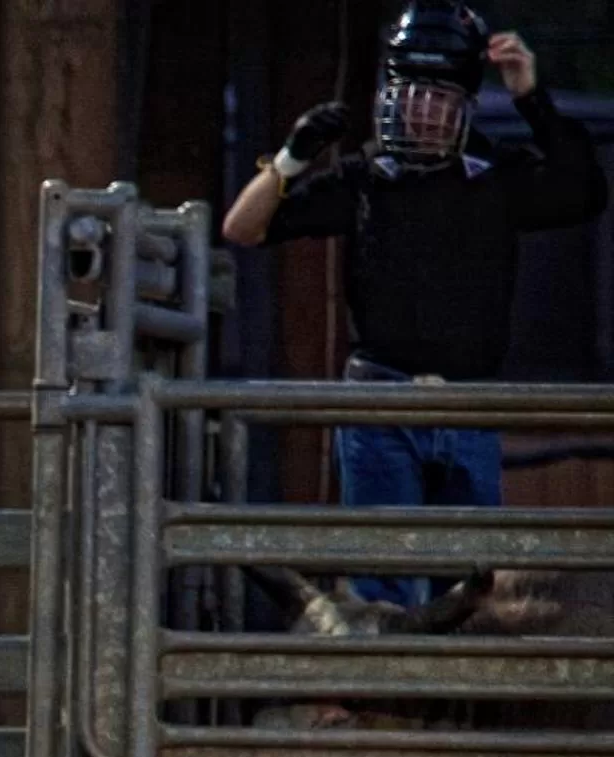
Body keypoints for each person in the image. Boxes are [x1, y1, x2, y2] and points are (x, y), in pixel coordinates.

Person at [221, 4, 607, 606]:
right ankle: (386, 699)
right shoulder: (368, 176)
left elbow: (583, 192)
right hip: (381, 398)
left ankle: (453, 697)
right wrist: (293, 155)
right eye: (413, 97)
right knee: (384, 580)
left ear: (463, 109)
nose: (424, 114)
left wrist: (531, 97)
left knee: (471, 584)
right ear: (391, 99)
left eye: (440, 101)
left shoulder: (493, 175)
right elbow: (243, 228)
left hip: (470, 401)